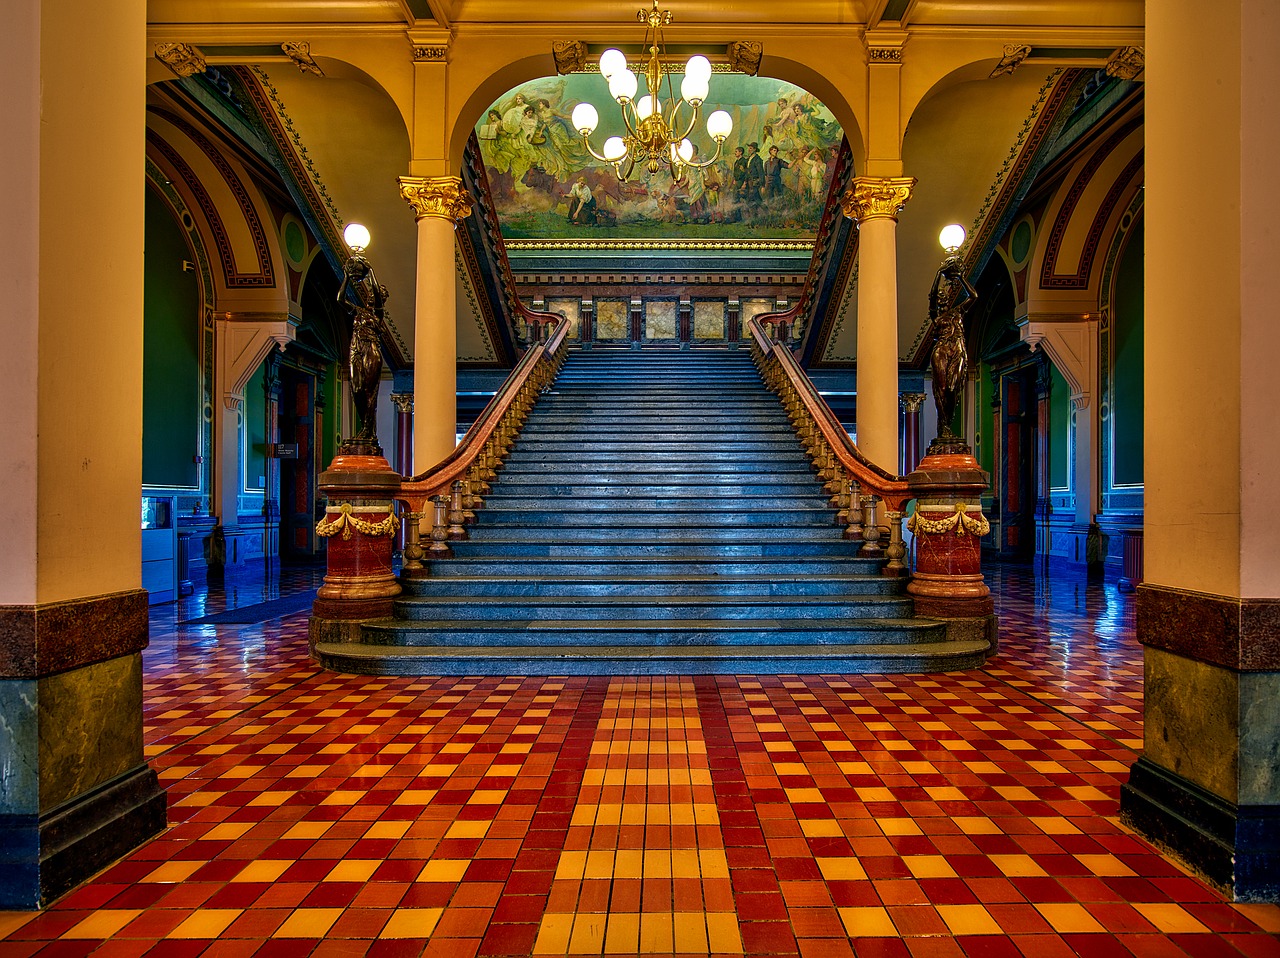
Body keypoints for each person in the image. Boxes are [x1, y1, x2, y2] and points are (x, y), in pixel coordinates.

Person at [927, 255, 979, 450]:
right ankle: (944, 427)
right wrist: (939, 273)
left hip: (956, 348)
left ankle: (946, 425)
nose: (940, 301)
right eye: (938, 300)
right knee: (941, 389)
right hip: (941, 349)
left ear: (947, 301)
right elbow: (931, 297)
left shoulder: (957, 312)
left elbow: (973, 297)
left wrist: (961, 278)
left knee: (952, 388)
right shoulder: (936, 317)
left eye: (943, 299)